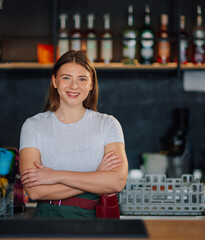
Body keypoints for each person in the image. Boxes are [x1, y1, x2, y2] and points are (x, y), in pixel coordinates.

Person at [19, 50, 128, 219]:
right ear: (54, 81)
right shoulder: (33, 126)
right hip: (48, 219)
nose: (74, 86)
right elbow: (34, 191)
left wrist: (56, 175)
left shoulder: (108, 124)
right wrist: (95, 178)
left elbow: (117, 182)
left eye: (82, 79)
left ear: (91, 84)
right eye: (66, 78)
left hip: (95, 220)